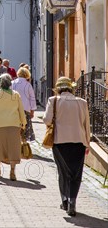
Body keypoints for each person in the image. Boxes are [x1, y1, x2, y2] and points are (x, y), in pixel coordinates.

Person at [43, 77, 90, 217]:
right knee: (76, 174)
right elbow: (86, 125)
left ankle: (64, 200)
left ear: (58, 89)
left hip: (60, 142)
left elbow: (46, 119)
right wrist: (87, 143)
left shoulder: (54, 100)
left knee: (63, 172)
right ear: (71, 88)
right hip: (78, 142)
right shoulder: (82, 103)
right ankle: (72, 201)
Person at [0, 73, 26, 181]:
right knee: (13, 148)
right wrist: (23, 123)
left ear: (0, 83)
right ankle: (12, 171)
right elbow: (21, 110)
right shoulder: (16, 95)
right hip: (13, 125)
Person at [11, 66, 36, 141]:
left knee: (14, 128)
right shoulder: (28, 84)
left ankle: (15, 143)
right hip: (25, 109)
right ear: (27, 74)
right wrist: (32, 111)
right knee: (24, 128)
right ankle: (23, 143)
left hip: (14, 109)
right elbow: (32, 98)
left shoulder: (12, 83)